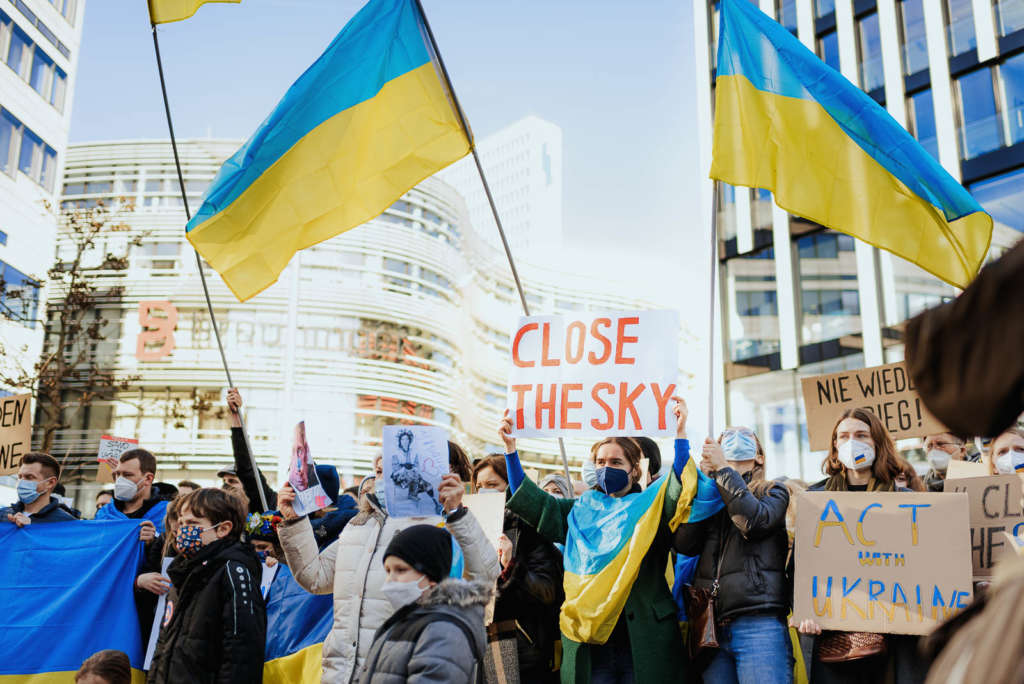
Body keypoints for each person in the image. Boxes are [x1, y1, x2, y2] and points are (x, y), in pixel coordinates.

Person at [499, 399, 699, 684]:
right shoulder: (578, 512)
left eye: (616, 462)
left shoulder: (650, 508)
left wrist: (680, 434)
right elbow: (532, 502)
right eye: (601, 462)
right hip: (593, 646)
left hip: (641, 642)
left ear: (634, 470)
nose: (606, 468)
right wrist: (510, 450)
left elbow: (679, 485)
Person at [277, 442, 500, 683]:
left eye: (388, 469)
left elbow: (485, 577)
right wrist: (294, 520)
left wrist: (456, 512)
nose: (380, 477)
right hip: (340, 675)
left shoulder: (444, 524)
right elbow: (315, 577)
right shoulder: (359, 525)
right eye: (379, 470)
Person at [794, 408, 921, 684]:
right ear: (835, 446)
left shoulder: (908, 500)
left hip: (896, 637)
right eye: (844, 436)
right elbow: (800, 569)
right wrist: (807, 610)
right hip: (835, 639)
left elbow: (923, 565)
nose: (852, 441)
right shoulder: (815, 500)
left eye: (861, 435)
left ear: (877, 442)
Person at [672, 426, 792, 683]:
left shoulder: (773, 491)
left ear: (759, 456)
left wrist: (725, 471)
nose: (735, 437)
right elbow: (685, 544)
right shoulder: (709, 495)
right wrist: (704, 490)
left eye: (745, 435)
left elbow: (752, 522)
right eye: (726, 436)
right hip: (711, 624)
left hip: (758, 622)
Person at [147, 488, 266, 683]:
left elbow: (242, 656)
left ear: (223, 529)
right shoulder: (182, 573)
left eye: (193, 523)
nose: (183, 530)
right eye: (182, 523)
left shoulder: (233, 573)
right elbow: (162, 646)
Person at [473, 454, 565, 682]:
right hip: (475, 640)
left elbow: (547, 592)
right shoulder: (470, 529)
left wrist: (512, 564)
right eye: (479, 486)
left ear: (511, 487)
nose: (485, 492)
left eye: (492, 485)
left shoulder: (530, 531)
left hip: (518, 646)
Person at [358, 524, 489, 683]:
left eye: (400, 570)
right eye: (388, 571)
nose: (389, 580)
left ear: (432, 574)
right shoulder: (403, 622)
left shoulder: (443, 630)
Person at [95, 449, 169, 544]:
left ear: (148, 478)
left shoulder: (167, 514)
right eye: (117, 474)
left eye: (127, 475)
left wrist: (155, 542)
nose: (120, 480)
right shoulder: (105, 513)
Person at [224, 388, 278, 513]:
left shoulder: (264, 504)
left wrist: (236, 416)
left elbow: (246, 468)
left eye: (232, 481)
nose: (227, 486)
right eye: (225, 481)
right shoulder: (219, 512)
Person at [2, 453, 77, 525]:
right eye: (20, 477)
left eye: (29, 477)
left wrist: (32, 528)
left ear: (50, 483)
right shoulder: (3, 515)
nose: (21, 482)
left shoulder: (65, 522)